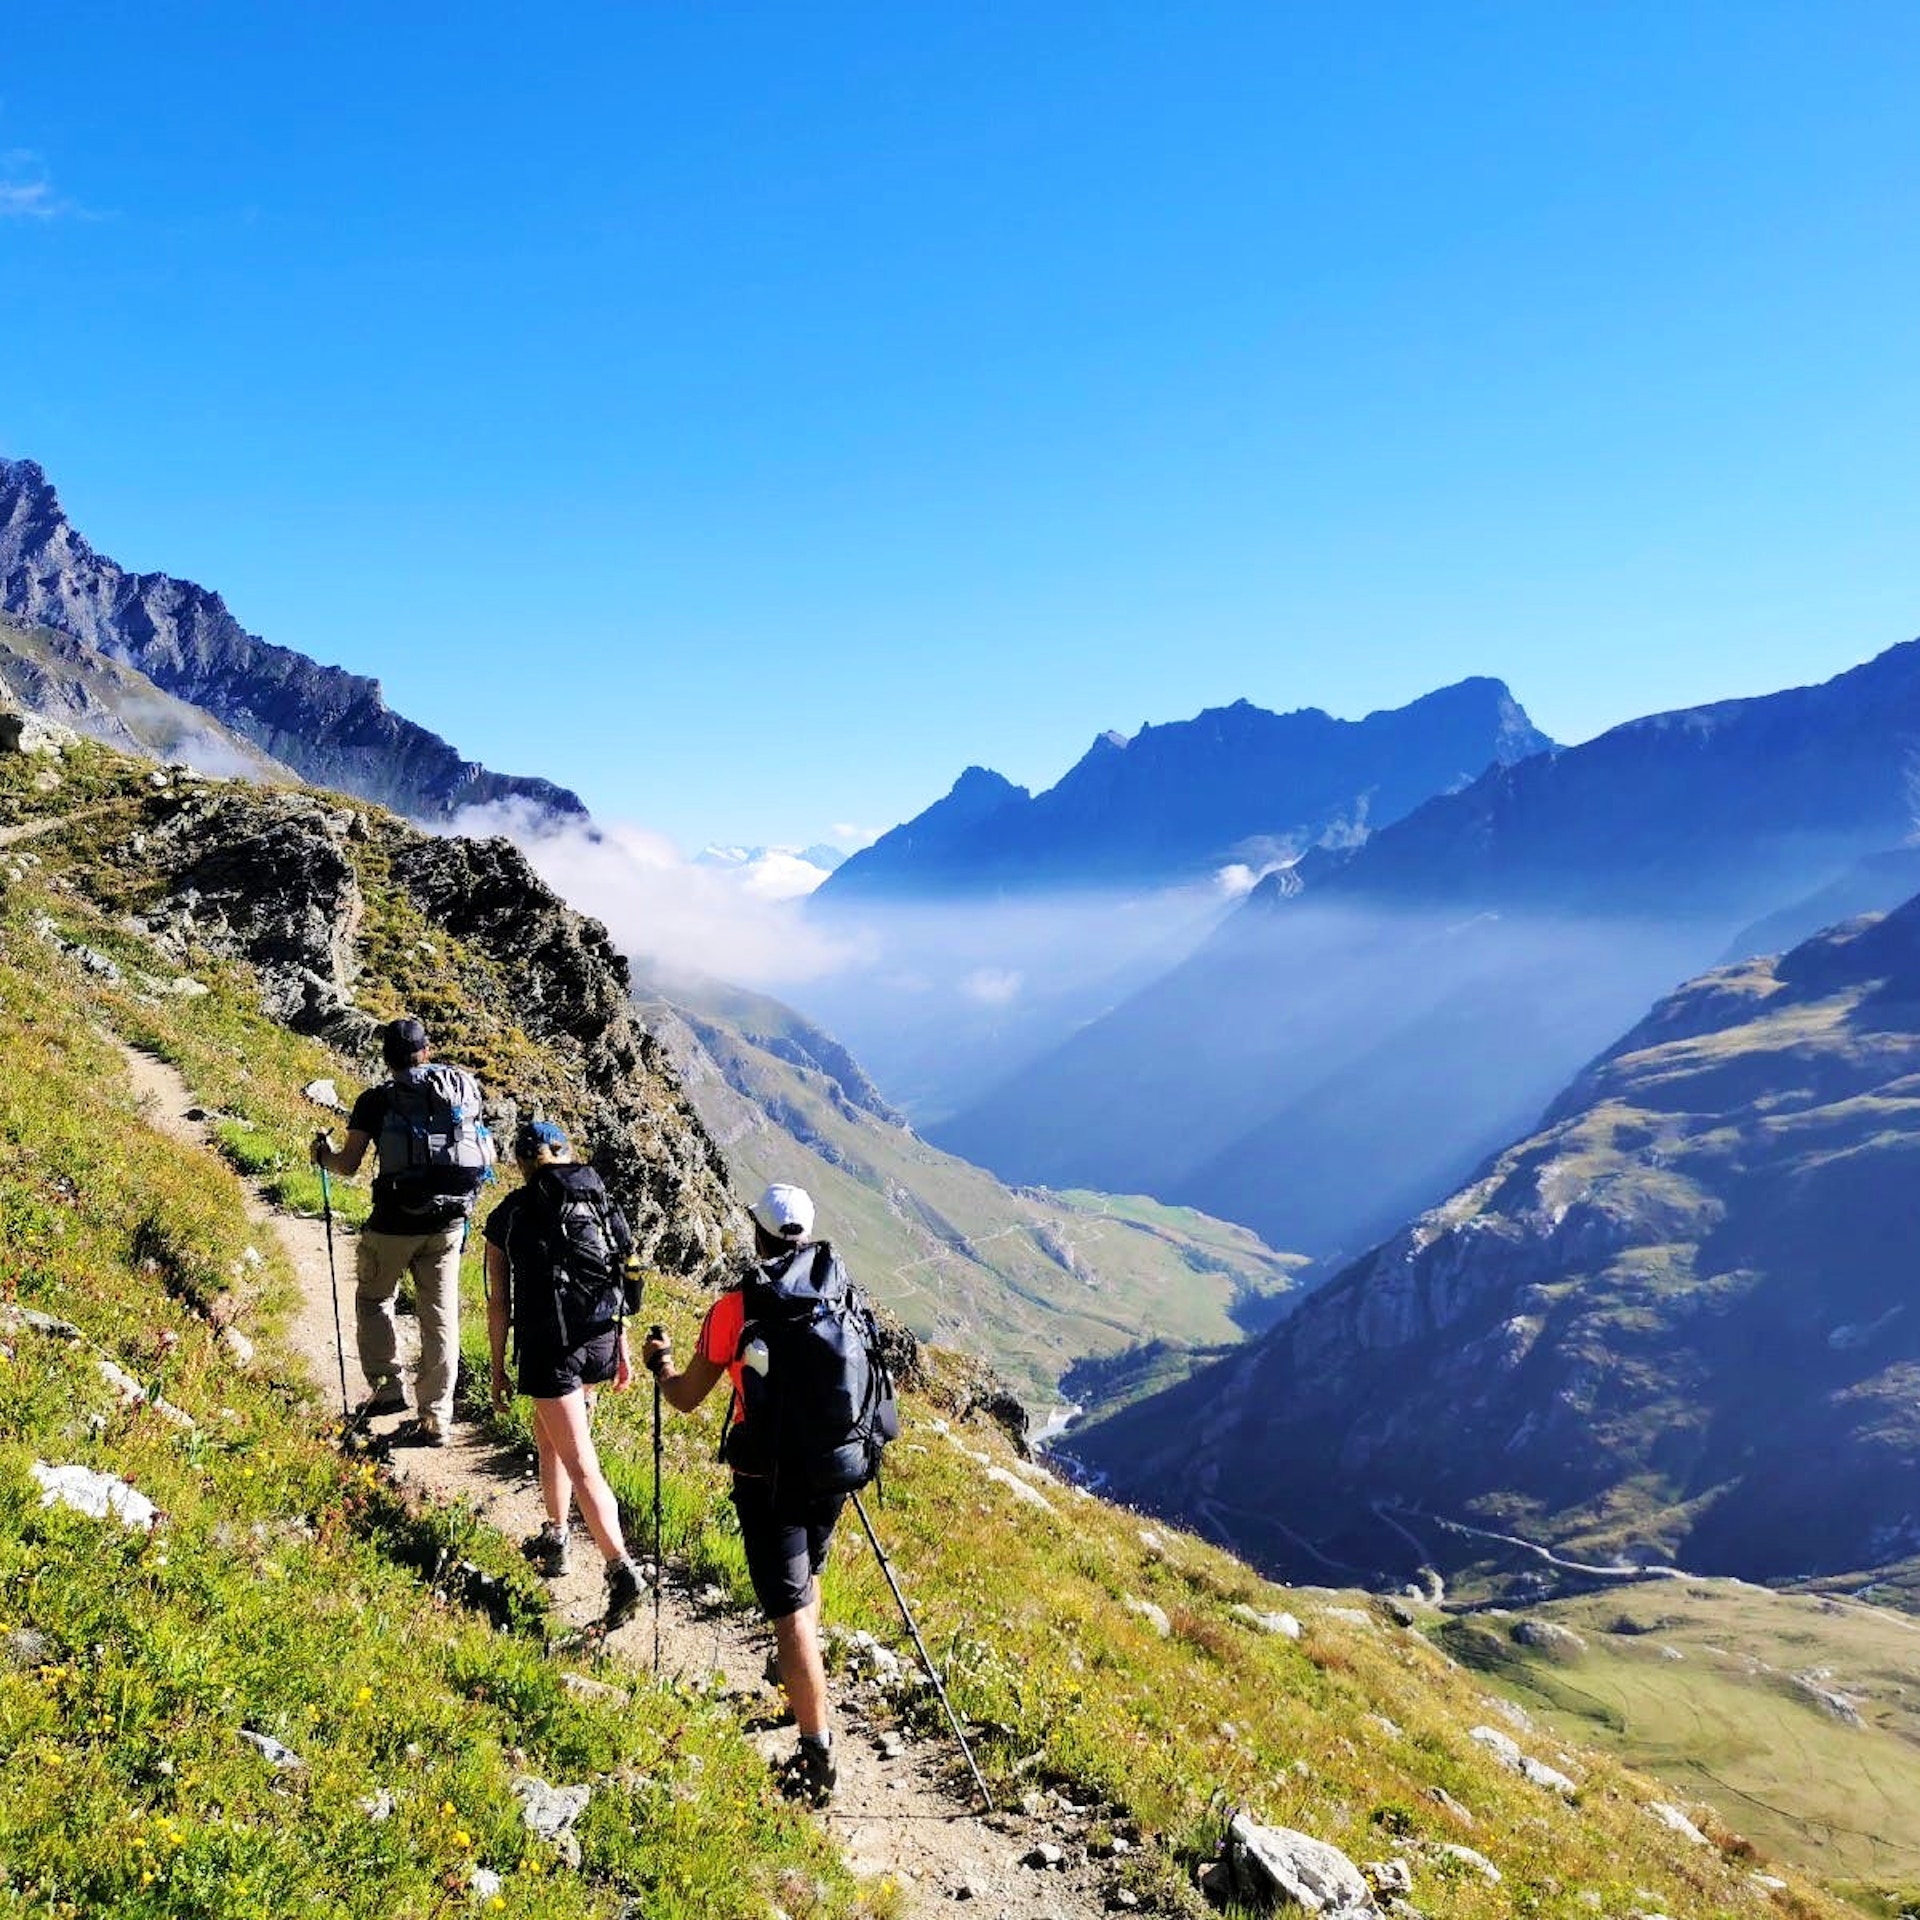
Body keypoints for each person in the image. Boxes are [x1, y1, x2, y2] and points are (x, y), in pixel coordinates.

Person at [643, 1181, 855, 1807]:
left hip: (768, 1477)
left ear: (758, 1233)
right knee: (806, 1579)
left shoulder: (735, 1308)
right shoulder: (838, 1289)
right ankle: (797, 1683)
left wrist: (660, 1363)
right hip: (833, 1467)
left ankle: (815, 1753)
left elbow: (684, 1399)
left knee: (788, 1611)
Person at [483, 1118, 646, 1629]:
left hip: (548, 1349)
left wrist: (496, 1369)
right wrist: (621, 1338)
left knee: (581, 1462)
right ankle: (556, 1536)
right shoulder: (597, 1198)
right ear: (565, 1152)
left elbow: (498, 1304)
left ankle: (621, 1570)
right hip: (595, 1338)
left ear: (521, 1162)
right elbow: (621, 1271)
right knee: (549, 1436)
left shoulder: (509, 1213)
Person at [310, 1016, 494, 1446]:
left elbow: (349, 1165)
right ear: (425, 1051)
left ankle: (387, 1390)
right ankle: (437, 1417)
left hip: (394, 1221)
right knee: (440, 1316)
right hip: (450, 1222)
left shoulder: (376, 1101)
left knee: (375, 1299)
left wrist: (323, 1155)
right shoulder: (460, 1091)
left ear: (387, 1057)